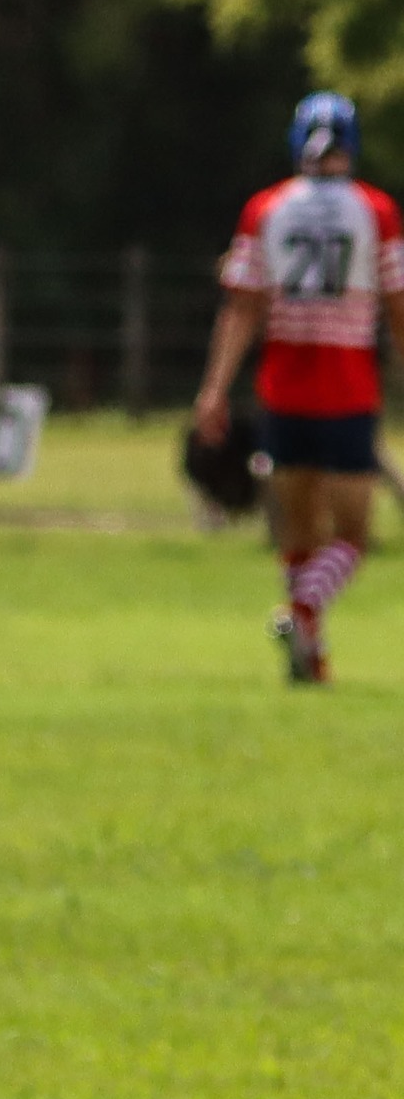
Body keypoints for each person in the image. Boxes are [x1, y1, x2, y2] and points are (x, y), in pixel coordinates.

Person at [193, 91, 404, 684]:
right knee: (354, 537)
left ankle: (310, 658)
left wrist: (213, 389)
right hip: (347, 390)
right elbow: (397, 303)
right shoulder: (376, 210)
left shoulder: (266, 207)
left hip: (281, 392)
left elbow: (241, 307)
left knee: (298, 536)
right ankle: (303, 614)